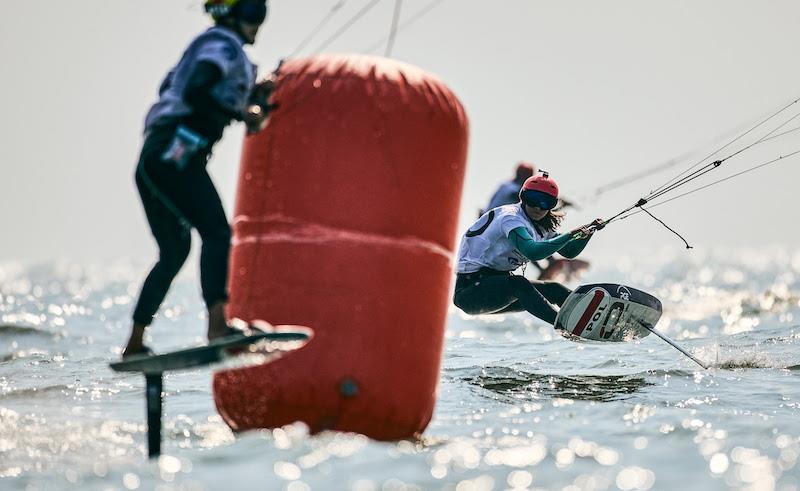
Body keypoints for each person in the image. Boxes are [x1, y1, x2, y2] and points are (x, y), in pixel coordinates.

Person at [123, 0, 274, 358]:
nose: (258, 24)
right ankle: (218, 326)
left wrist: (251, 97)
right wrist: (242, 110)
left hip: (155, 158)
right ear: (236, 15)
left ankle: (134, 343)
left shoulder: (207, 45)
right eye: (255, 14)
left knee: (175, 251)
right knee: (217, 232)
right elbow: (196, 90)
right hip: (174, 156)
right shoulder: (222, 45)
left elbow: (174, 88)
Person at [453, 171, 604, 325]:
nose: (538, 207)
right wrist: (570, 234)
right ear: (522, 197)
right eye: (532, 200)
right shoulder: (511, 218)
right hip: (470, 292)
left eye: (545, 202)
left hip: (497, 285)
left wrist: (589, 231)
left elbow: (569, 252)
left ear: (552, 205)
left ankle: (595, 318)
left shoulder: (540, 224)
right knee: (519, 283)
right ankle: (564, 326)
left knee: (553, 289)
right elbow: (532, 252)